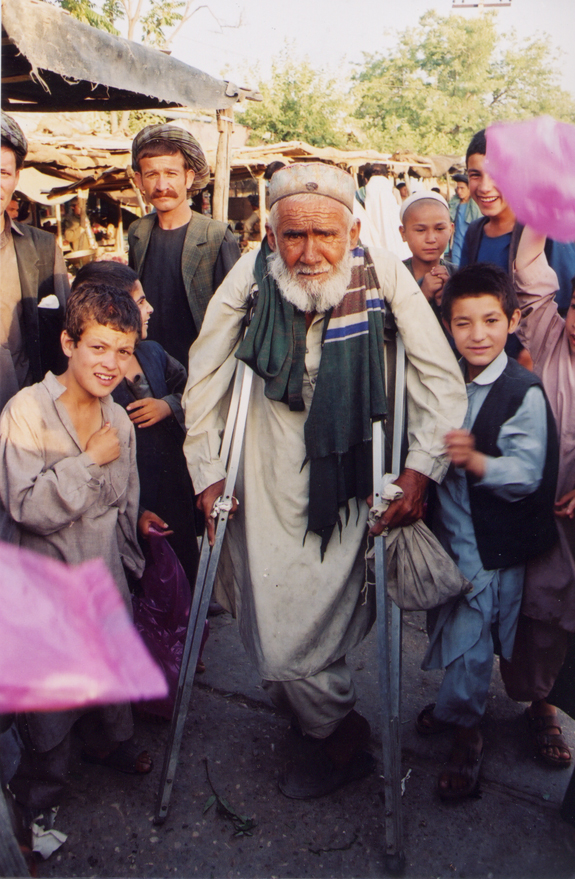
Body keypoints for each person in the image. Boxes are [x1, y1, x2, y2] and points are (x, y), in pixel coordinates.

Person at [183, 162, 467, 800]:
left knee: (303, 625)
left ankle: (336, 735)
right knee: (270, 610)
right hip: (263, 465)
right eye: (293, 237)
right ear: (272, 235)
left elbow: (439, 381)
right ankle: (327, 719)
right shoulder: (252, 275)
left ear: (355, 229)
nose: (309, 253)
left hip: (350, 476)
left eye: (325, 236)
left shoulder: (383, 274)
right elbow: (203, 377)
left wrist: (421, 468)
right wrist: (205, 471)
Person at [0, 284, 156, 827]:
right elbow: (24, 506)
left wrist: (136, 526)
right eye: (98, 347)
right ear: (68, 343)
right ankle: (37, 791)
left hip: (102, 572)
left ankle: (108, 743)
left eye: (123, 350)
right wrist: (88, 463)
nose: (111, 364)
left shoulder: (117, 416)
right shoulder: (27, 411)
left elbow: (125, 492)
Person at [418, 250, 559, 801]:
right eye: (462, 322)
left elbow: (525, 474)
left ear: (513, 321)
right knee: (455, 629)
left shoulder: (521, 392)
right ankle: (460, 706)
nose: (477, 335)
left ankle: (467, 736)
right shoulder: (445, 379)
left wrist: (476, 461)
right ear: (447, 325)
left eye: (491, 320)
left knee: (474, 640)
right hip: (451, 539)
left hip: (491, 547)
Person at [71, 260, 198, 592]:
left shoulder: (153, 353)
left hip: (173, 486)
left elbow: (193, 391)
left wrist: (168, 406)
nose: (150, 308)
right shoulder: (93, 374)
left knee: (183, 561)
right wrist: (136, 510)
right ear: (111, 308)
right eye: (140, 302)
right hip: (130, 496)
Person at [498, 232, 575, 768]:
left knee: (552, 611)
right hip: (512, 502)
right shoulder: (546, 331)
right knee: (496, 604)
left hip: (564, 521)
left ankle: (543, 705)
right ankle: (464, 712)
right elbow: (528, 264)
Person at [128, 124, 241, 368]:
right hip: (149, 366)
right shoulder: (138, 232)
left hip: (202, 369)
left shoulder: (215, 236)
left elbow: (235, 319)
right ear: (138, 180)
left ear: (188, 178)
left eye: (171, 174)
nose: (161, 186)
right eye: (151, 175)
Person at [461, 129, 575, 315]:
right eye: (475, 175)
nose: (485, 187)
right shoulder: (474, 232)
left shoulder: (543, 231)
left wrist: (532, 345)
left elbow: (566, 303)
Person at [0, 112, 69, 416]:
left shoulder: (42, 247)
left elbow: (69, 337)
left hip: (25, 417)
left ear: (16, 177)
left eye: (2, 172)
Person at [399, 191, 454, 315]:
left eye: (439, 229)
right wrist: (423, 295)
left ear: (451, 230)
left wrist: (451, 295)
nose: (430, 239)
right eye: (420, 230)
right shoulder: (394, 277)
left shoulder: (458, 276)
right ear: (403, 233)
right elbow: (389, 330)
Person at [449, 173, 481, 267]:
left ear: (469, 189)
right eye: (457, 188)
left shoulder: (476, 207)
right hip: (457, 245)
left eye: (462, 188)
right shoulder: (455, 204)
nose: (459, 191)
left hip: (471, 246)